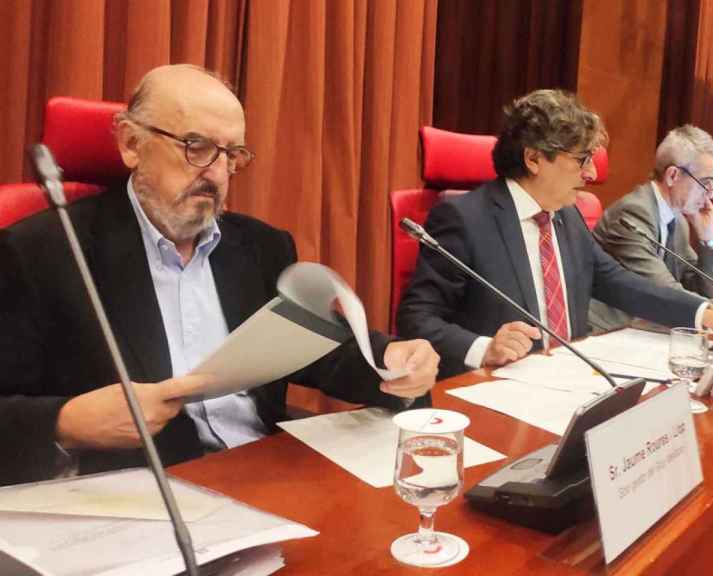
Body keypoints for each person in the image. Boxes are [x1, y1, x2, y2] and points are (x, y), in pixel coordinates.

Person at [0, 64, 439, 487]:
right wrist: (68, 422)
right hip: (150, 498)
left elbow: (314, 351)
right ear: (131, 143)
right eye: (196, 146)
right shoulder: (43, 251)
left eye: (232, 154)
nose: (215, 171)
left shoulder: (262, 246)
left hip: (267, 473)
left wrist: (392, 360)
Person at [396, 89, 713, 378]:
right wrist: (483, 347)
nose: (591, 174)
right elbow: (416, 318)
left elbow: (619, 283)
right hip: (494, 389)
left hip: (568, 379)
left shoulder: (565, 217)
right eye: (581, 159)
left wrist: (705, 314)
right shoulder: (463, 219)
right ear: (534, 158)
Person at [589, 125, 713, 332]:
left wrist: (708, 238)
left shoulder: (677, 219)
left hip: (646, 325)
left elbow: (706, 289)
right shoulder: (633, 213)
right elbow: (662, 289)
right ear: (673, 176)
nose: (710, 195)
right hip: (608, 331)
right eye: (705, 183)